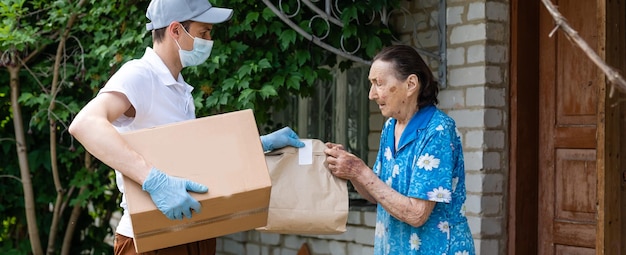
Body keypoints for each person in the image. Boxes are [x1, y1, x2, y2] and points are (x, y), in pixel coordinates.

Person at [68, 0, 304, 254]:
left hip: (194, 232)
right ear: (176, 30)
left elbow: (188, 159)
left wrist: (258, 145)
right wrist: (154, 181)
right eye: (204, 32)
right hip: (151, 238)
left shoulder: (179, 88)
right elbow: (85, 124)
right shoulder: (140, 75)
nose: (210, 39)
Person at [324, 45, 475, 254]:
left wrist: (359, 171)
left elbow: (416, 214)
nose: (371, 94)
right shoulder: (391, 126)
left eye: (379, 83)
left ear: (411, 84)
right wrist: (349, 168)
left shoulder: (438, 130)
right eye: (371, 84)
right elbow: (377, 192)